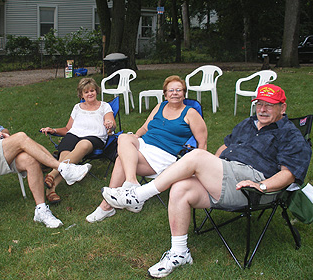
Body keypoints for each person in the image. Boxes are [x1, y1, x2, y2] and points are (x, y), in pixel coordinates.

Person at [101, 84, 312, 278]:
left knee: (195, 156)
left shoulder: (291, 135)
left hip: (251, 186)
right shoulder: (248, 124)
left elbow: (289, 174)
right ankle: (179, 252)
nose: (262, 109)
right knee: (180, 188)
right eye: (259, 104)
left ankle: (138, 194)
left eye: (270, 106)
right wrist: (213, 166)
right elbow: (224, 147)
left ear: (282, 108)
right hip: (226, 176)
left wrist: (262, 186)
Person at [0, 81, 91, 228]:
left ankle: (41, 210)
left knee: (30, 160)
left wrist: (3, 134)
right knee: (20, 137)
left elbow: (4, 129)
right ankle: (63, 168)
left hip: (0, 149)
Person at [86, 75, 207, 223]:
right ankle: (131, 184)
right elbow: (144, 128)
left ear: (184, 93)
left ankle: (107, 205)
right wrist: (134, 138)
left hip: (163, 155)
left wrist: (200, 168)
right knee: (124, 138)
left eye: (178, 90)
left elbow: (202, 142)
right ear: (165, 93)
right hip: (144, 144)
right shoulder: (160, 106)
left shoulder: (190, 113)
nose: (174, 93)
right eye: (171, 90)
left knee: (120, 160)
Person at [40, 78, 116, 204]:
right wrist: (53, 130)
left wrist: (109, 124)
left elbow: (111, 124)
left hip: (94, 137)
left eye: (92, 90)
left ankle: (52, 174)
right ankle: (51, 189)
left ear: (96, 91)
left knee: (83, 145)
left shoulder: (104, 106)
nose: (90, 94)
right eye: (86, 92)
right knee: (64, 155)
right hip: (73, 134)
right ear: (81, 95)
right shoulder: (77, 107)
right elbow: (67, 129)